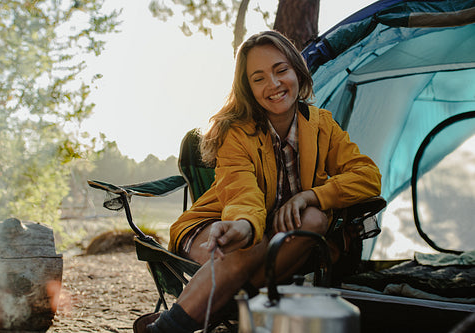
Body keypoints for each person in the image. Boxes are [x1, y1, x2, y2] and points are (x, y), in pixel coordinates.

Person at [133, 30, 381, 333]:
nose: (274, 85)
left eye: (281, 70)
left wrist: (310, 196)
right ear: (248, 88)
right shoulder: (235, 133)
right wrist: (243, 225)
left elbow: (368, 176)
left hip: (275, 236)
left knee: (315, 218)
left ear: (297, 71)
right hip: (219, 225)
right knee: (244, 250)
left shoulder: (322, 126)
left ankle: (217, 304)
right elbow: (241, 191)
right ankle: (168, 329)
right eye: (259, 78)